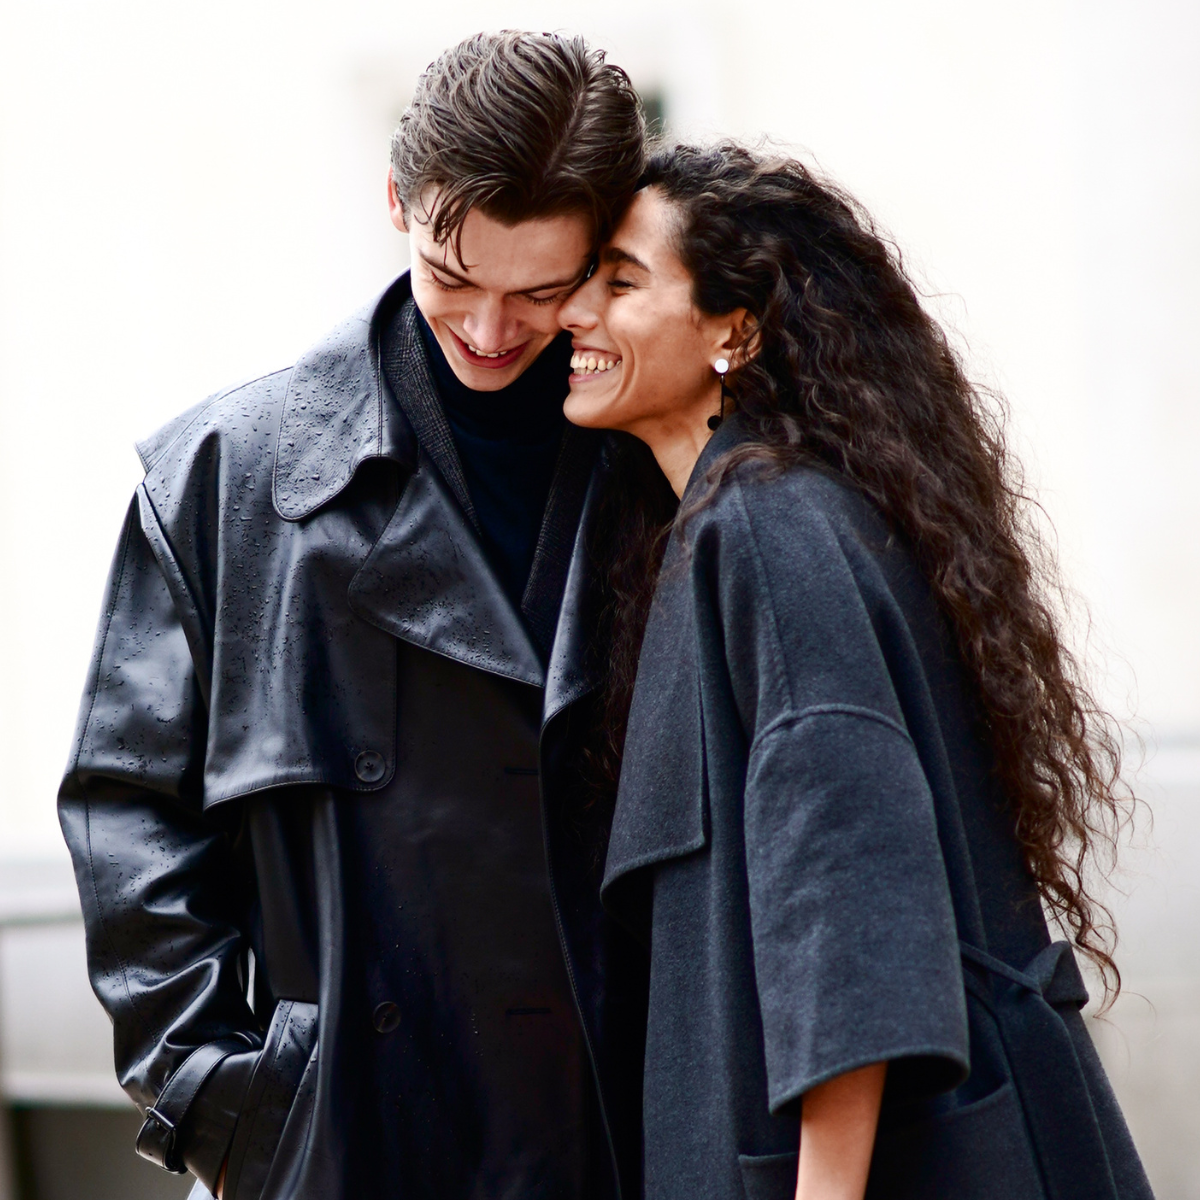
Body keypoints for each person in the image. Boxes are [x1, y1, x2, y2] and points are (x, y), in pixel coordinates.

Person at [58, 32, 650, 1200]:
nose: (490, 332)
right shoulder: (224, 479)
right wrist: (227, 1100)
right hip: (348, 1142)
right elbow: (127, 811)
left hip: (626, 1134)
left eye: (539, 292)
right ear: (395, 200)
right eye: (452, 278)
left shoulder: (672, 472)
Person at [559, 144, 1153, 1200]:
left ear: (731, 331)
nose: (572, 315)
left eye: (620, 281)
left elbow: (848, 905)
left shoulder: (766, 527)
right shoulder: (744, 522)